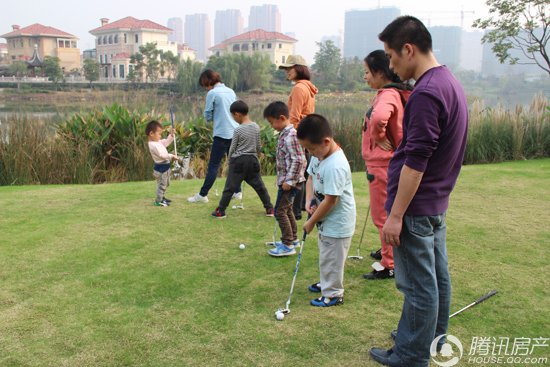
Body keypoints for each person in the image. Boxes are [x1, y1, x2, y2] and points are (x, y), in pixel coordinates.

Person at [368, 16, 469, 367]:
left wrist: (395, 215)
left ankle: (411, 356)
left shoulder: (426, 93)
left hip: (416, 208)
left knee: (418, 287)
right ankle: (432, 342)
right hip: (433, 204)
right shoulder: (449, 82)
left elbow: (416, 162)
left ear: (409, 49)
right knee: (437, 280)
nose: (391, 65)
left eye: (392, 57)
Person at [361, 50, 412, 280]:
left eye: (367, 72)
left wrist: (378, 135)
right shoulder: (394, 92)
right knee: (385, 211)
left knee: (382, 215)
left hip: (382, 164)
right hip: (386, 163)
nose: (365, 77)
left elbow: (380, 117)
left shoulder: (388, 94)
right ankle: (387, 251)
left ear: (380, 72)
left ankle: (389, 263)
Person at [297, 114, 356, 307]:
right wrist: (309, 200)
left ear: (326, 141)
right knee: (326, 254)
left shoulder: (336, 165)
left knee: (333, 258)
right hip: (326, 219)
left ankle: (333, 294)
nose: (310, 153)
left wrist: (311, 221)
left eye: (312, 149)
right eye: (307, 149)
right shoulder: (319, 156)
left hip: (339, 222)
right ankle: (326, 282)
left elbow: (331, 200)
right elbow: (311, 178)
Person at [211, 100, 274, 218]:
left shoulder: (238, 130)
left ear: (237, 114)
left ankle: (221, 211)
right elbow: (258, 146)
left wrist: (230, 160)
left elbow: (232, 148)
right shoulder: (256, 127)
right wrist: (257, 155)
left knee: (229, 187)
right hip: (252, 160)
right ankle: (269, 208)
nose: (233, 119)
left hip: (238, 161)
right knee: (260, 186)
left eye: (233, 116)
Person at [188, 69, 240, 203]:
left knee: (213, 166)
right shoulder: (231, 91)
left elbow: (207, 115)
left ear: (208, 82)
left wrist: (212, 116)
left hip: (221, 134)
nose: (205, 88)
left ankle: (202, 195)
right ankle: (237, 192)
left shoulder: (212, 93)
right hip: (235, 132)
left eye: (205, 85)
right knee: (234, 164)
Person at [263, 101, 307, 257]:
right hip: (286, 180)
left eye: (271, 122)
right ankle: (293, 238)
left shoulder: (291, 136)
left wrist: (290, 180)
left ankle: (287, 244)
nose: (272, 126)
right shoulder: (285, 134)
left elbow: (299, 160)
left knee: (279, 212)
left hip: (290, 182)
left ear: (281, 118)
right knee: (286, 210)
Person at [278, 55, 318, 220]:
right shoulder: (307, 87)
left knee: (296, 170)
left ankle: (294, 210)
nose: (287, 72)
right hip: (307, 131)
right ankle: (301, 205)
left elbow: (294, 117)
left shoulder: (299, 88)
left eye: (289, 68)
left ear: (299, 68)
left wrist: (290, 136)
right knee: (305, 169)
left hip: (299, 133)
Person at [146, 120, 180, 207]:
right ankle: (158, 201)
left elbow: (166, 142)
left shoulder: (157, 142)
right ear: (151, 134)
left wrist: (171, 135)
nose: (160, 136)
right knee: (162, 185)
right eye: (159, 134)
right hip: (161, 169)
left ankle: (162, 197)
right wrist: (171, 156)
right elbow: (162, 155)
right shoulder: (153, 145)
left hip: (165, 167)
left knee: (165, 183)